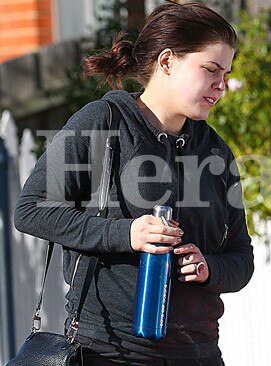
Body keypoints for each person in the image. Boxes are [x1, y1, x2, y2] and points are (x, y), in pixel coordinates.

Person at [14, 2, 253, 365]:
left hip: (199, 354)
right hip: (109, 351)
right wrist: (127, 234)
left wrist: (209, 269)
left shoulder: (216, 151)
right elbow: (31, 210)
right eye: (211, 70)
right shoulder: (104, 122)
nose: (221, 86)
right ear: (168, 61)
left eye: (226, 73)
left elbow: (241, 258)